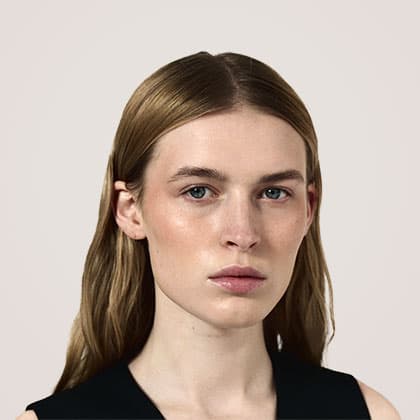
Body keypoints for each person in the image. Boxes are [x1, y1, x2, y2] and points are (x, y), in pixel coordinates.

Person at [18, 51, 400, 419]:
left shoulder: (370, 414)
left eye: (274, 193)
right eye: (198, 191)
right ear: (130, 209)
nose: (243, 234)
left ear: (309, 209)